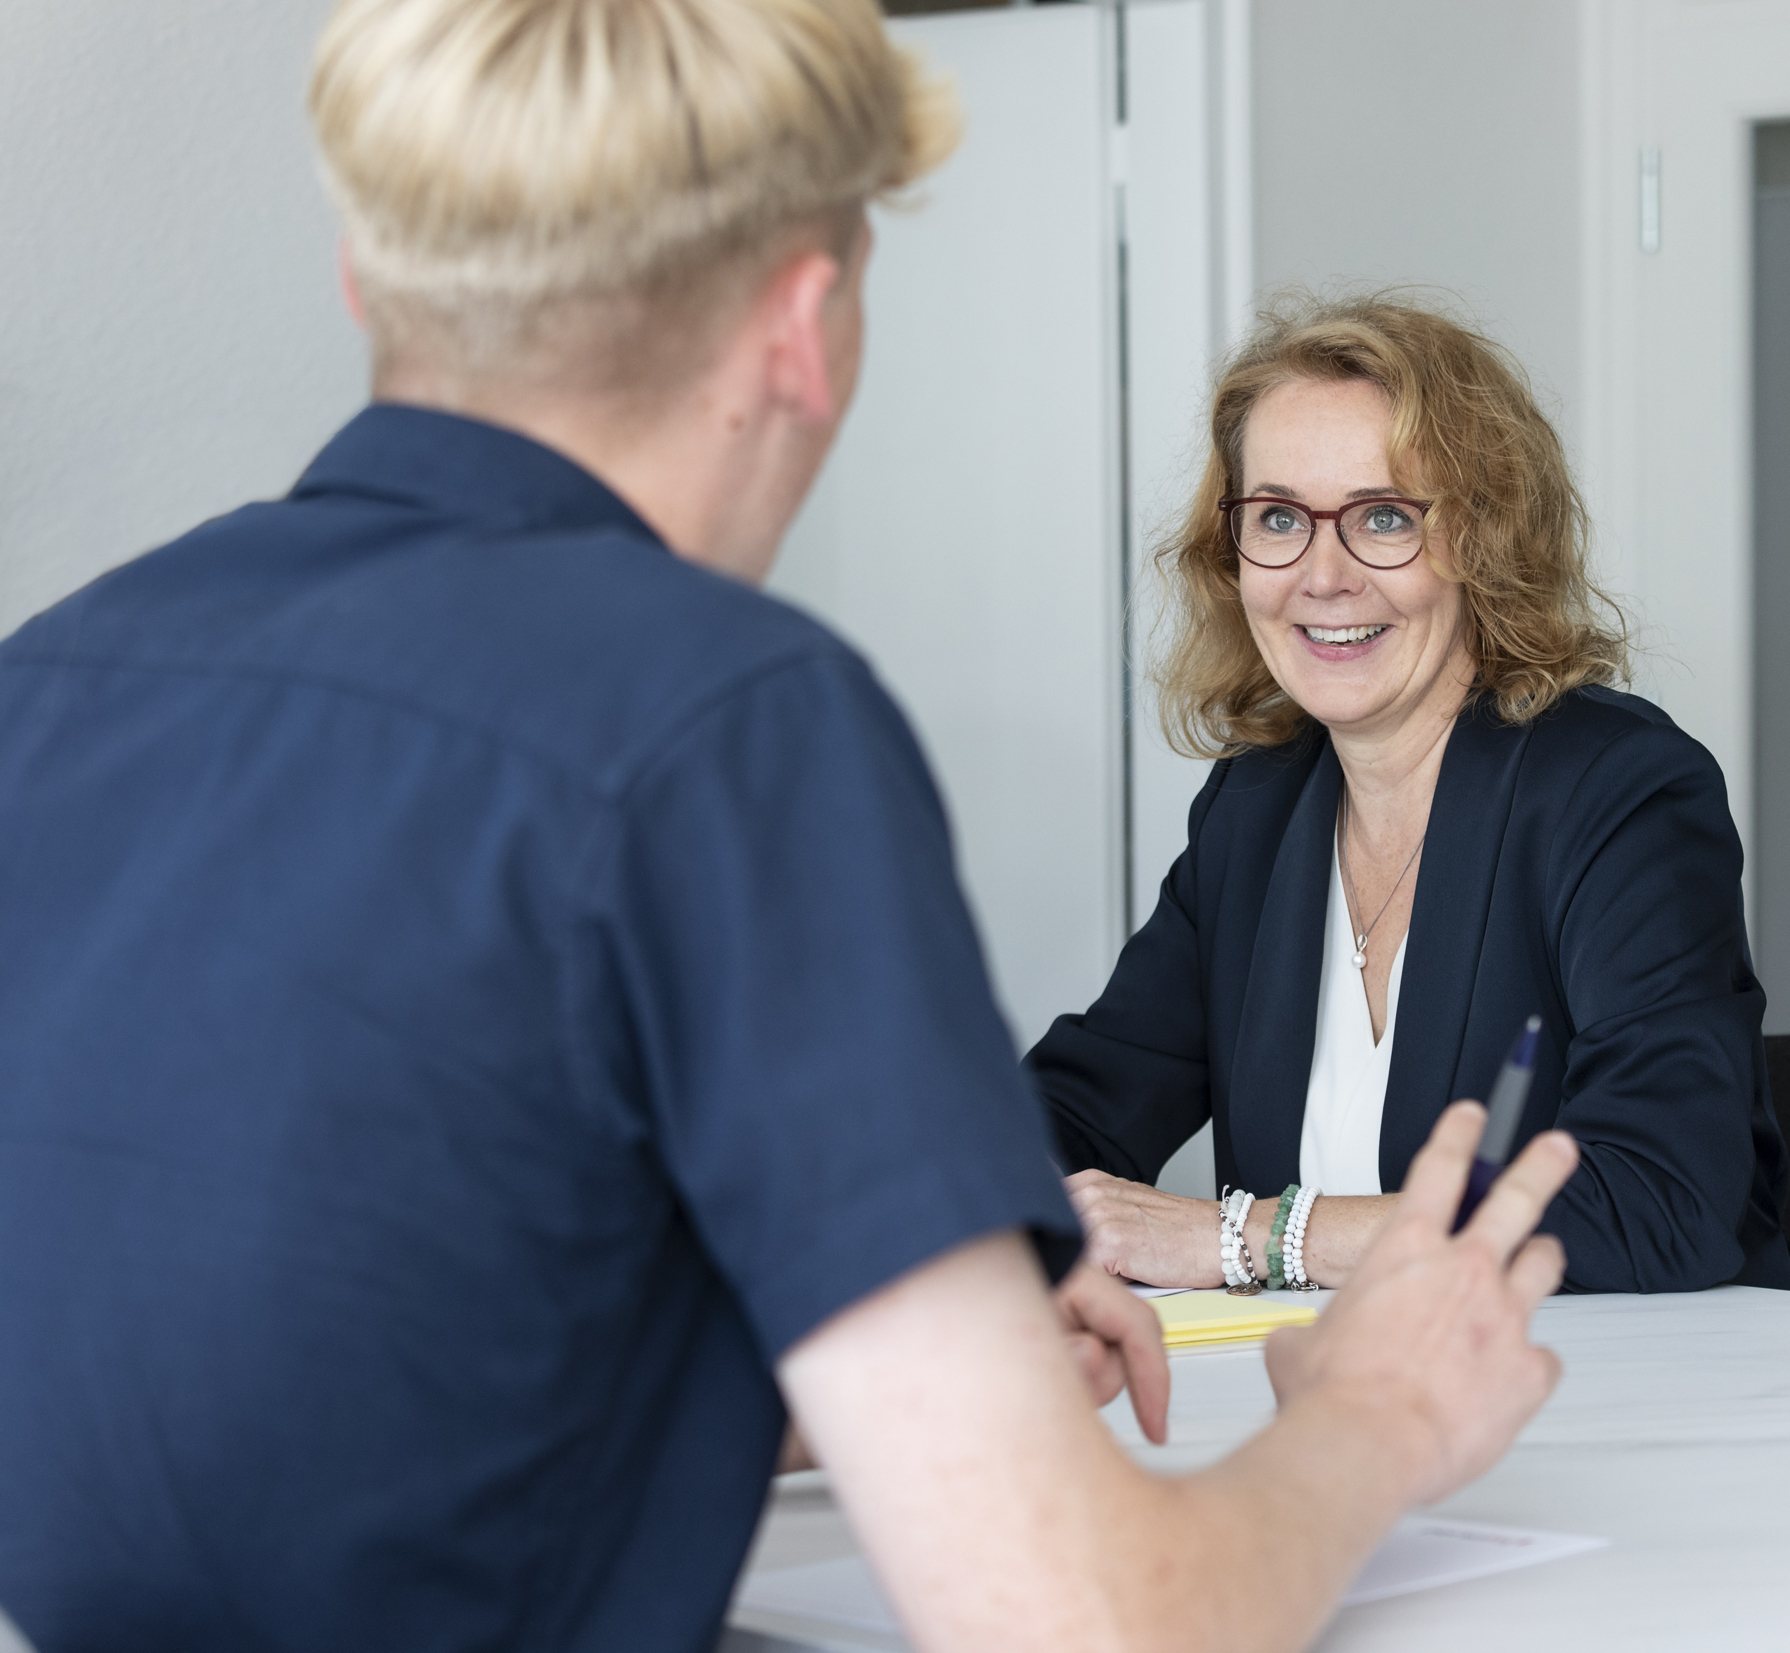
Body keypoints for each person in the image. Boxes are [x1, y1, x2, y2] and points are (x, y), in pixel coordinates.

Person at [0, 4, 1580, 1650]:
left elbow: (305, 1383)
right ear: (806, 329)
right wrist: (1385, 1406)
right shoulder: (725, 719)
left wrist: (847, 1381)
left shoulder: (48, 684)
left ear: (362, 278)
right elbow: (1094, 1620)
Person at [1034, 298, 1790, 1296]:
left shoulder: (1616, 793)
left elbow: (1656, 1199)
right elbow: (1078, 1106)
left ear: (1483, 541)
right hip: (1342, 1404)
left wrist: (1251, 1238)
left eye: (1383, 517)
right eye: (1276, 519)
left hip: (1626, 1404)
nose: (1323, 575)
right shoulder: (1253, 810)